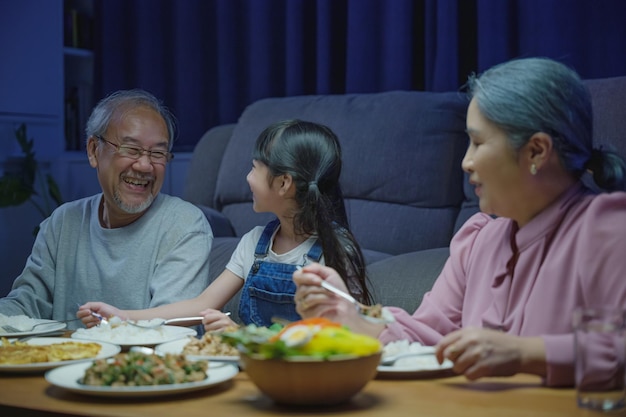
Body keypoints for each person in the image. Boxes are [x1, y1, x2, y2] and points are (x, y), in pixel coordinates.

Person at [293, 57, 626, 387]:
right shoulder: (479, 241)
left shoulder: (609, 230)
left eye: (478, 142)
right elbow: (423, 338)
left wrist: (527, 353)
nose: (466, 161)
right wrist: (345, 313)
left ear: (537, 151)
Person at [79, 119, 373, 331]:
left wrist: (242, 336)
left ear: (283, 183)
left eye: (255, 168)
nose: (247, 177)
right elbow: (201, 304)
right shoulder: (254, 244)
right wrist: (122, 315)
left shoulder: (333, 251)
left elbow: (342, 332)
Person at [0, 89, 213, 329]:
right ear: (93, 151)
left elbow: (170, 330)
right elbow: (24, 306)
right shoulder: (62, 223)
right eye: (131, 149)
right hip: (61, 361)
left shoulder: (184, 225)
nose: (144, 165)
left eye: (157, 153)